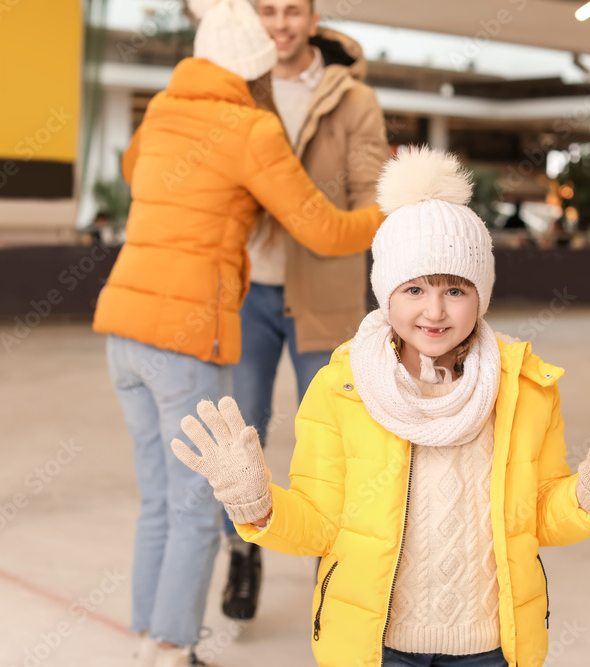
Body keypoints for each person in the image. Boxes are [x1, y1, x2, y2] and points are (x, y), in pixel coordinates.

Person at [170, 146, 590, 667]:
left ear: (480, 294)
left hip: (490, 647)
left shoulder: (526, 388)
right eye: (414, 288)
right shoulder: (341, 389)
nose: (435, 311)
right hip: (380, 647)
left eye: (455, 289)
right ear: (385, 294)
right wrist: (257, 507)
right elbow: (322, 526)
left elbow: (536, 520)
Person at [92, 0, 386, 664]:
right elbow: (322, 229)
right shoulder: (250, 129)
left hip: (123, 331)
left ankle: (148, 633)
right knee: (199, 501)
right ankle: (173, 646)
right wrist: (392, 211)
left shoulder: (164, 108)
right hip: (186, 336)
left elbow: (137, 171)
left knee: (159, 498)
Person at [221, 0, 389, 621]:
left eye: (292, 10)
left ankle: (334, 571)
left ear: (313, 19)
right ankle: (243, 554)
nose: (280, 24)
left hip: (324, 292)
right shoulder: (237, 89)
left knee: (332, 443)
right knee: (241, 438)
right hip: (246, 293)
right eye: (267, 10)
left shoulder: (354, 100)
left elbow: (372, 200)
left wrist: (322, 227)